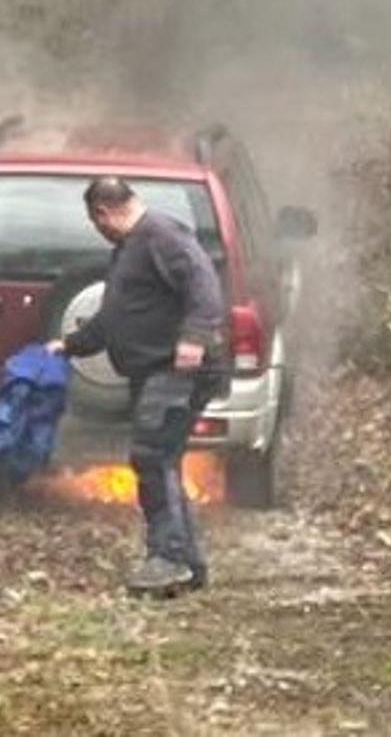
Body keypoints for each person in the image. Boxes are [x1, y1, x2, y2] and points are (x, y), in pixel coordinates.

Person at [48, 176, 226, 594]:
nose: (99, 230)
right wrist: (71, 345)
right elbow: (115, 318)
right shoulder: (131, 250)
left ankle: (167, 559)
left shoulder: (161, 236)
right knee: (161, 459)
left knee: (152, 456)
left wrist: (194, 338)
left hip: (177, 370)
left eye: (97, 223)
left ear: (103, 213)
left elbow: (203, 283)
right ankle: (188, 562)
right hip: (154, 370)